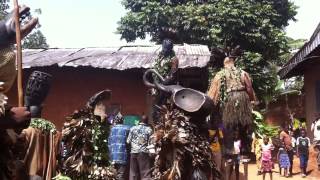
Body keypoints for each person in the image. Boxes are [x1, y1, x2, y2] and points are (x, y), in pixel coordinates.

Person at [207, 46, 257, 157]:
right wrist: (252, 101)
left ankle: (229, 150)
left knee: (228, 124)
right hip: (243, 97)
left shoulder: (219, 75)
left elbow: (214, 94)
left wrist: (211, 107)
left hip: (229, 99)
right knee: (245, 123)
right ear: (233, 62)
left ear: (224, 63)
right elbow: (249, 88)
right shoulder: (243, 73)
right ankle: (245, 149)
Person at [127, 115, 153, 180]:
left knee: (133, 173)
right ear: (147, 121)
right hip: (143, 153)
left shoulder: (132, 128)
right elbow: (151, 143)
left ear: (140, 120)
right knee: (145, 173)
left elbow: (128, 141)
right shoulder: (149, 130)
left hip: (133, 152)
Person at [108, 115, 130, 180]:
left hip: (112, 155)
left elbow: (109, 142)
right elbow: (129, 142)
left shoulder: (111, 129)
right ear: (123, 120)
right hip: (123, 155)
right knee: (121, 174)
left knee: (113, 174)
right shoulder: (127, 128)